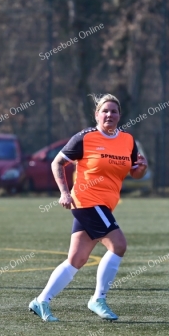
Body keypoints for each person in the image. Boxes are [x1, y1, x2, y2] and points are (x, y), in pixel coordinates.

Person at [28, 94, 148, 322]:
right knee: (119, 245)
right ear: (96, 114)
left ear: (120, 115)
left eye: (114, 111)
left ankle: (41, 301)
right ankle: (98, 299)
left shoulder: (128, 141)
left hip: (105, 206)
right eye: (105, 111)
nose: (109, 115)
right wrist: (64, 192)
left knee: (77, 259)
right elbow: (57, 162)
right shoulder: (85, 137)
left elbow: (135, 172)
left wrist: (142, 167)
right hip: (86, 201)